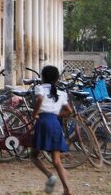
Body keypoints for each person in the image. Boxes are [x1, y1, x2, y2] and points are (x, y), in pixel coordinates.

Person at [30, 65, 72, 195]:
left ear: (42, 77)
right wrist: (57, 115)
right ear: (57, 79)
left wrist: (35, 113)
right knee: (56, 161)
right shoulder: (62, 93)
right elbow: (69, 111)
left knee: (34, 155)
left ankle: (49, 175)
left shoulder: (40, 88)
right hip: (55, 123)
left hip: (43, 122)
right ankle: (67, 189)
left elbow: (40, 99)